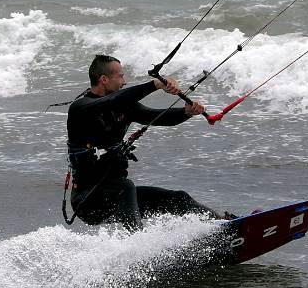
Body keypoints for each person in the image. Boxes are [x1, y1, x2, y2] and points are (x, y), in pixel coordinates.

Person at [65, 54, 227, 229]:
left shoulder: (125, 108)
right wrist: (155, 84)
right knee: (125, 187)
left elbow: (156, 117)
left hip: (115, 194)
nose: (124, 81)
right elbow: (112, 101)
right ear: (104, 79)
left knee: (178, 198)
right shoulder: (81, 109)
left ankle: (222, 224)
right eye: (120, 76)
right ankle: (139, 249)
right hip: (88, 201)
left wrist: (186, 112)